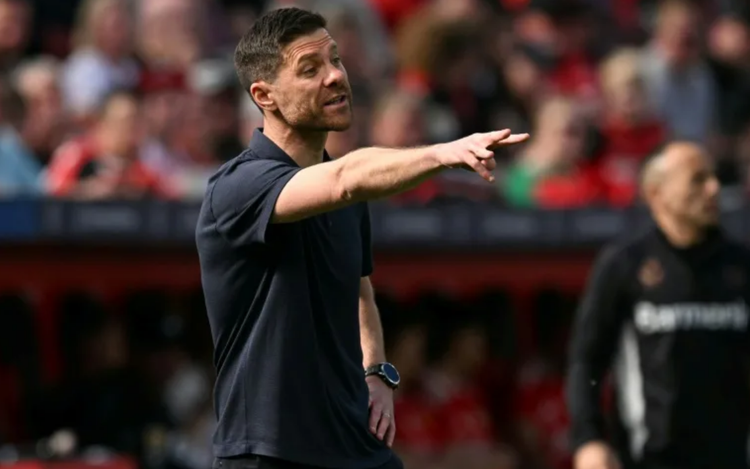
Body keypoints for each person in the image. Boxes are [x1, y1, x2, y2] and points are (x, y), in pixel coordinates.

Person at [195, 7, 528, 469]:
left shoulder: (348, 192)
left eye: (336, 59)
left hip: (356, 448)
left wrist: (377, 373)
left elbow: (359, 289)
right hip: (269, 453)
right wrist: (441, 153)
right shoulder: (239, 186)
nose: (335, 75)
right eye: (310, 69)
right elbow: (345, 179)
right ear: (264, 95)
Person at [566, 141, 750, 469]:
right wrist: (588, 439)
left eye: (714, 178)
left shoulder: (740, 265)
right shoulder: (624, 264)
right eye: (697, 179)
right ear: (656, 192)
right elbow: (586, 359)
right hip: (648, 458)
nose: (713, 188)